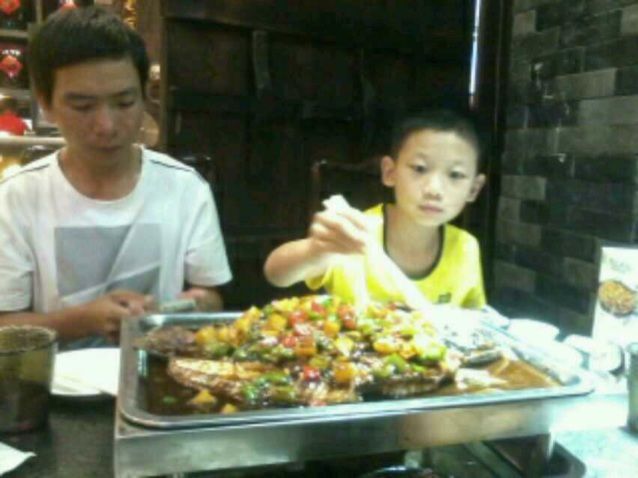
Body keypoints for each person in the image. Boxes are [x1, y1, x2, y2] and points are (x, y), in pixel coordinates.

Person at [0, 7, 232, 347]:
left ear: (143, 95)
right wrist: (83, 320)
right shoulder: (16, 197)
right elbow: (5, 327)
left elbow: (210, 296)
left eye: (124, 102)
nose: (107, 126)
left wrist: (174, 310)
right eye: (83, 106)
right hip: (55, 378)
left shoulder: (185, 188)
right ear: (46, 104)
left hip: (154, 370)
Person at [264, 109, 486, 308]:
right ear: (389, 172)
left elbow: (476, 321)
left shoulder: (466, 248)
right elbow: (275, 273)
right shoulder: (354, 232)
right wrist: (315, 249)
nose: (434, 190)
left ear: (474, 189)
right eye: (419, 169)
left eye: (455, 175)